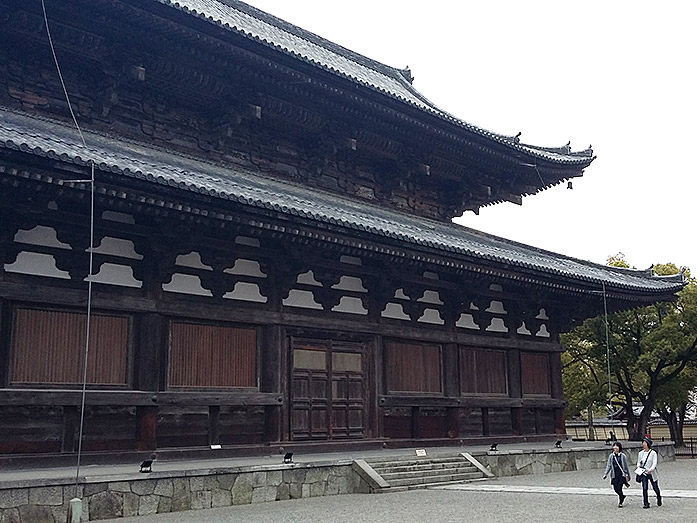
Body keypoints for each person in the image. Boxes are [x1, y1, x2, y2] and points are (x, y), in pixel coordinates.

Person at [636, 435, 662, 508]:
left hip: (651, 472)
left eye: (645, 442)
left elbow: (654, 463)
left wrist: (650, 469)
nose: (643, 444)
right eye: (643, 442)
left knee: (655, 487)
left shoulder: (653, 453)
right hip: (643, 472)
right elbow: (638, 462)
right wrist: (638, 466)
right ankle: (646, 502)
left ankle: (658, 497)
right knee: (644, 488)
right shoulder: (641, 453)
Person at [603, 441, 630, 507]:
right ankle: (622, 496)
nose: (615, 447)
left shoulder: (622, 456)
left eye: (617, 446)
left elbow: (626, 466)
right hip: (614, 474)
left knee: (619, 487)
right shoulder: (611, 456)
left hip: (621, 474)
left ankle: (620, 502)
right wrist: (605, 474)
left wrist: (627, 475)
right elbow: (609, 465)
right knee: (615, 488)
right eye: (614, 446)